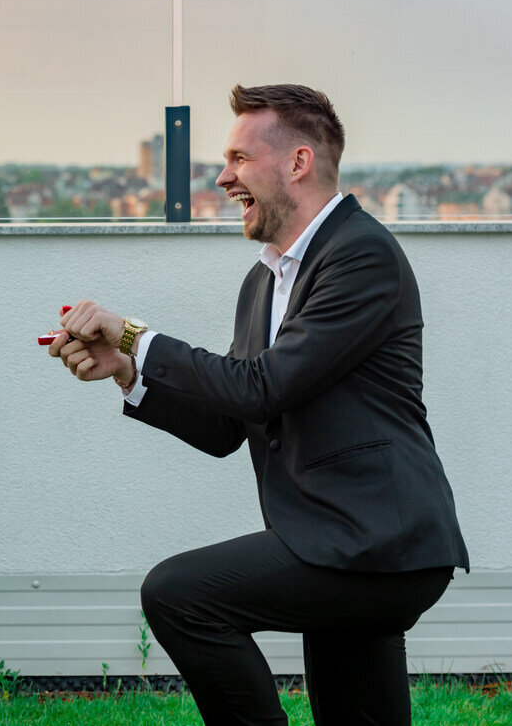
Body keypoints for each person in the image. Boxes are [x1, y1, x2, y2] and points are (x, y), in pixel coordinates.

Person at [49, 84, 469, 726]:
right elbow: (229, 424)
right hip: (335, 540)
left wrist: (134, 333)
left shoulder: (361, 254)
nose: (222, 178)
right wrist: (129, 372)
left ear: (297, 162)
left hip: (377, 543)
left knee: (180, 595)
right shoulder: (265, 279)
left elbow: (261, 385)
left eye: (239, 159)